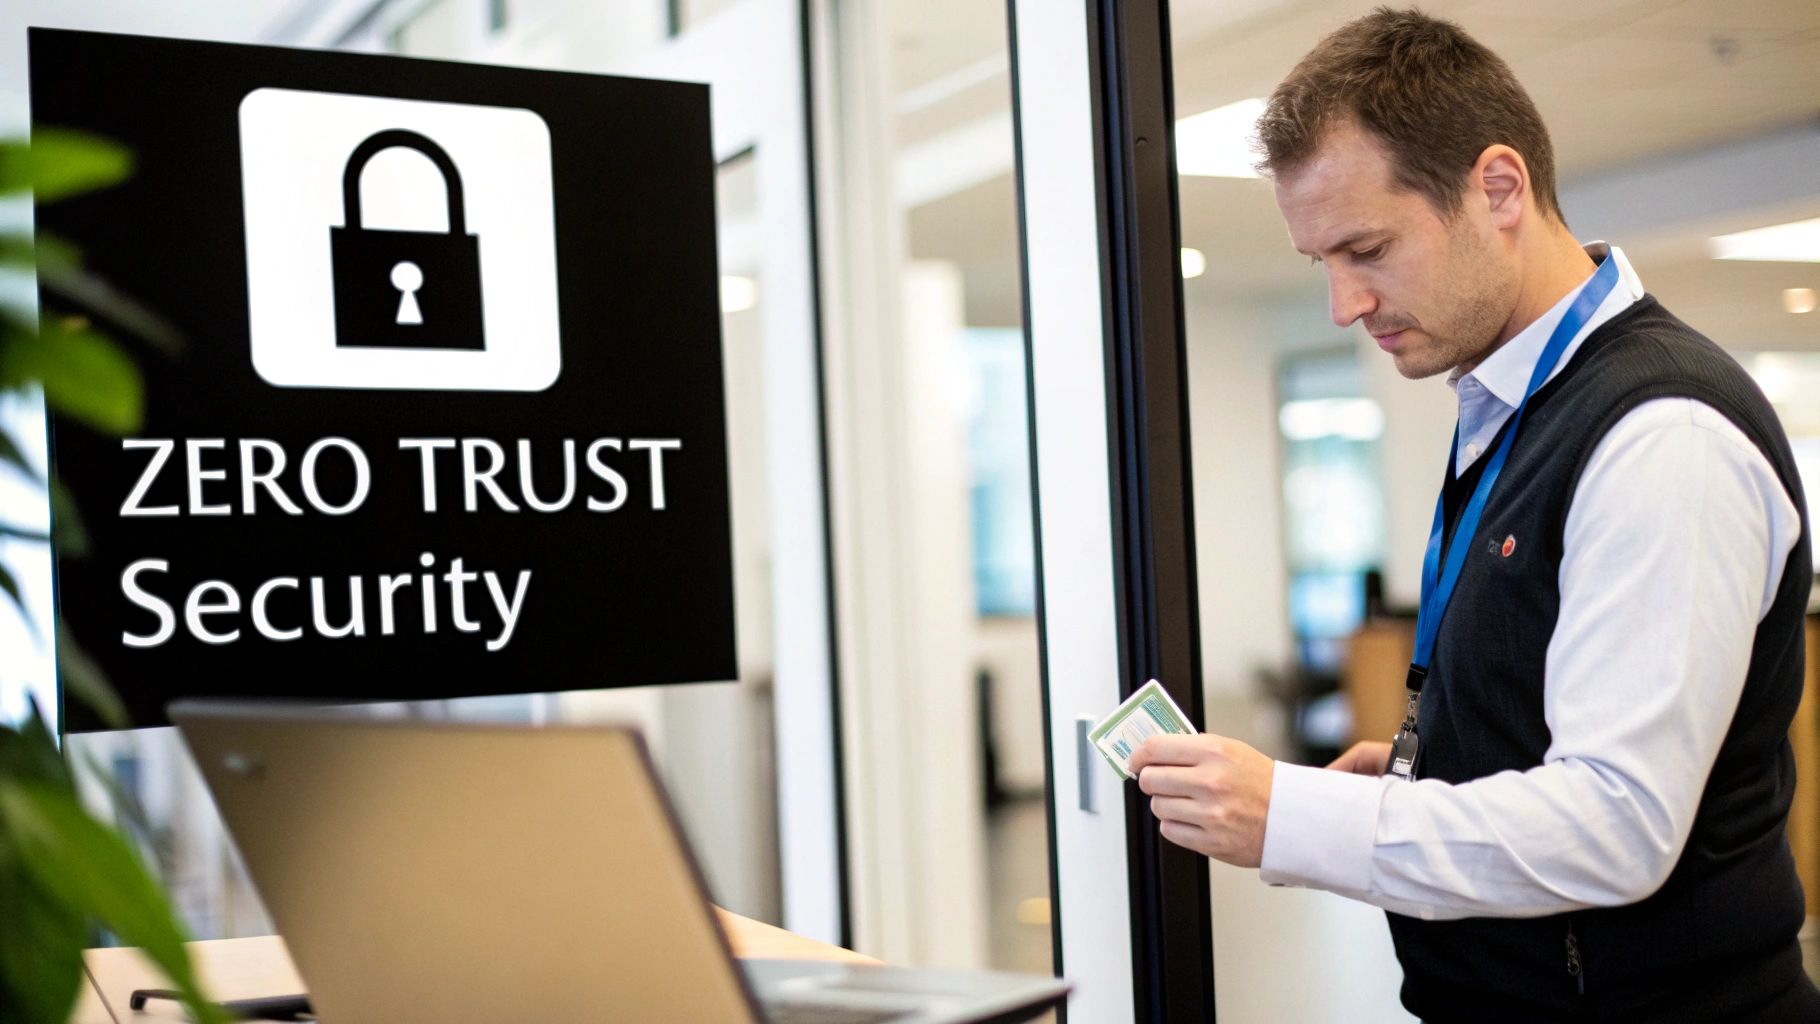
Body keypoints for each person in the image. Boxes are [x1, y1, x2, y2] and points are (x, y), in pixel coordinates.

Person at [1129, 8, 1820, 1021]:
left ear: (1496, 188)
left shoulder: (1659, 432)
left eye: (1365, 248)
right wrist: (1432, 771)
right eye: (1319, 261)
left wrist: (1298, 816)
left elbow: (1615, 822)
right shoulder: (1507, 403)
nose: (1343, 304)